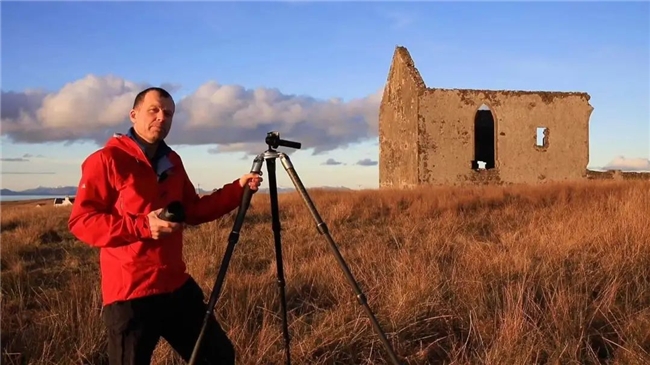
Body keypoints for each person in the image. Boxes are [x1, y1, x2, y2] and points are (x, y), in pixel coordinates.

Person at [68, 86, 262, 365]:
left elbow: (193, 211)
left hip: (175, 284)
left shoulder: (172, 161)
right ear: (133, 115)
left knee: (218, 356)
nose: (162, 117)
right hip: (130, 293)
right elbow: (82, 221)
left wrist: (238, 189)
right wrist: (143, 226)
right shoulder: (106, 160)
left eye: (168, 113)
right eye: (154, 110)